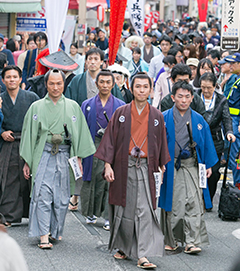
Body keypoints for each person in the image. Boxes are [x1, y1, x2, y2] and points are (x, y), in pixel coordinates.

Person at [95, 72, 170, 269]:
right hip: (123, 165)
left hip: (147, 166)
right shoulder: (121, 113)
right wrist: (107, 165)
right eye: (138, 86)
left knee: (145, 210)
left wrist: (162, 168)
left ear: (151, 90)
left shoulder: (156, 115)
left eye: (146, 87)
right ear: (131, 88)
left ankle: (143, 255)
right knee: (125, 208)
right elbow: (110, 141)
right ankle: (124, 247)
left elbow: (161, 143)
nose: (142, 90)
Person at [20, 69, 96, 249]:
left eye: (59, 83)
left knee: (62, 198)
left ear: (64, 84)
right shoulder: (36, 107)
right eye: (51, 83)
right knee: (42, 194)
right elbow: (29, 135)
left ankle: (55, 231)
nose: (55, 87)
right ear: (46, 84)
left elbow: (80, 134)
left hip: (65, 154)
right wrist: (27, 161)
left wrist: (78, 158)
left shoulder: (72, 106)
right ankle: (44, 235)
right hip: (43, 153)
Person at [159, 81, 218, 254]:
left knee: (194, 202)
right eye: (180, 96)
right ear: (172, 98)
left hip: (192, 164)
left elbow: (206, 144)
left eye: (187, 97)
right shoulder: (164, 117)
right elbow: (157, 143)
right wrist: (159, 163)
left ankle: (192, 241)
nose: (183, 100)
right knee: (174, 203)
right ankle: (172, 239)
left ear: (192, 98)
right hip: (171, 165)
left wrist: (207, 165)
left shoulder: (199, 120)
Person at [80, 70, 125, 230]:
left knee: (109, 181)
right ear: (96, 83)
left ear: (113, 84)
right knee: (91, 178)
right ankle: (90, 212)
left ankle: (108, 216)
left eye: (108, 82)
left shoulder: (120, 106)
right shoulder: (87, 105)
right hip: (92, 144)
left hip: (113, 145)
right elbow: (81, 129)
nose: (105, 85)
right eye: (102, 82)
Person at [0, 66, 39, 226]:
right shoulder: (1, 99)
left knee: (30, 179)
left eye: (14, 77)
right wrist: (1, 131)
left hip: (28, 141)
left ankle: (33, 215)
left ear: (20, 79)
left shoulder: (31, 97)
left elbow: (39, 118)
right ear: (3, 80)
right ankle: (9, 215)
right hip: (8, 143)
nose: (11, 80)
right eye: (8, 77)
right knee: (9, 179)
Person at [199, 72, 235, 202]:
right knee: (199, 169)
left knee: (214, 172)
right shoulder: (195, 96)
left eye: (209, 87)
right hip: (198, 139)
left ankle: (208, 198)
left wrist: (229, 132)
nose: (206, 90)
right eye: (203, 87)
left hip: (215, 140)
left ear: (215, 86)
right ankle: (199, 198)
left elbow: (227, 118)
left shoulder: (221, 100)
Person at [224, 53, 240, 190]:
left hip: (237, 122)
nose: (231, 65)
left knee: (235, 156)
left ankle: (237, 186)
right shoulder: (236, 78)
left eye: (234, 63)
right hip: (232, 120)